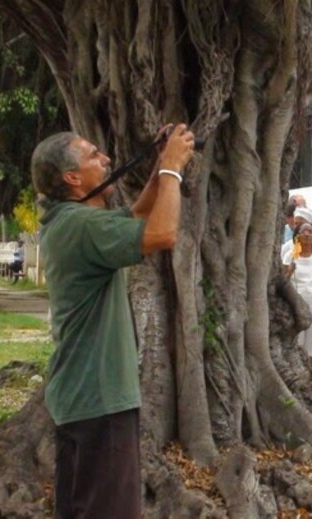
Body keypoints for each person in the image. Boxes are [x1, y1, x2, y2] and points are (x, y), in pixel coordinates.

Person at [33, 124, 195, 518]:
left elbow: (137, 214)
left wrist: (158, 166)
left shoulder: (70, 223)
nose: (106, 160)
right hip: (99, 400)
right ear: (72, 179)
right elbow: (162, 233)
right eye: (93, 156)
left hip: (80, 398)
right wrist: (173, 168)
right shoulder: (82, 225)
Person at [284, 221, 312, 367]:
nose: (307, 234)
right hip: (297, 306)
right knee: (298, 343)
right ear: (297, 235)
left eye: (310, 231)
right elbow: (283, 281)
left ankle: (311, 373)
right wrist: (289, 271)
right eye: (303, 231)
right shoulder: (291, 255)